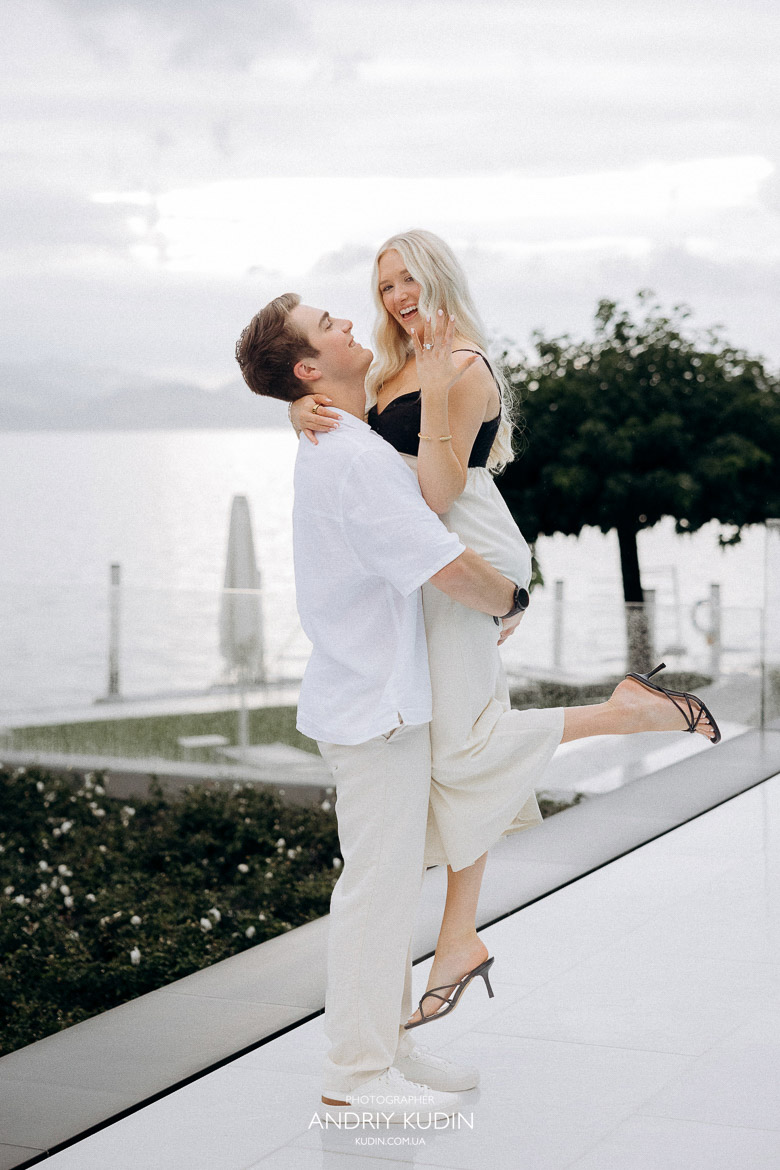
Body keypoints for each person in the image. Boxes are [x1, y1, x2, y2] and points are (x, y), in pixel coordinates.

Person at [236, 292, 719, 1122]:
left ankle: (391, 1044)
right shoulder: (344, 455)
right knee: (376, 892)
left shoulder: (341, 434)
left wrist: (299, 409)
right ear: (308, 368)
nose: (350, 320)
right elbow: (443, 565)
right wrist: (512, 596)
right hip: (373, 710)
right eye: (328, 325)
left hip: (384, 699)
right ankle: (355, 1074)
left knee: (393, 879)